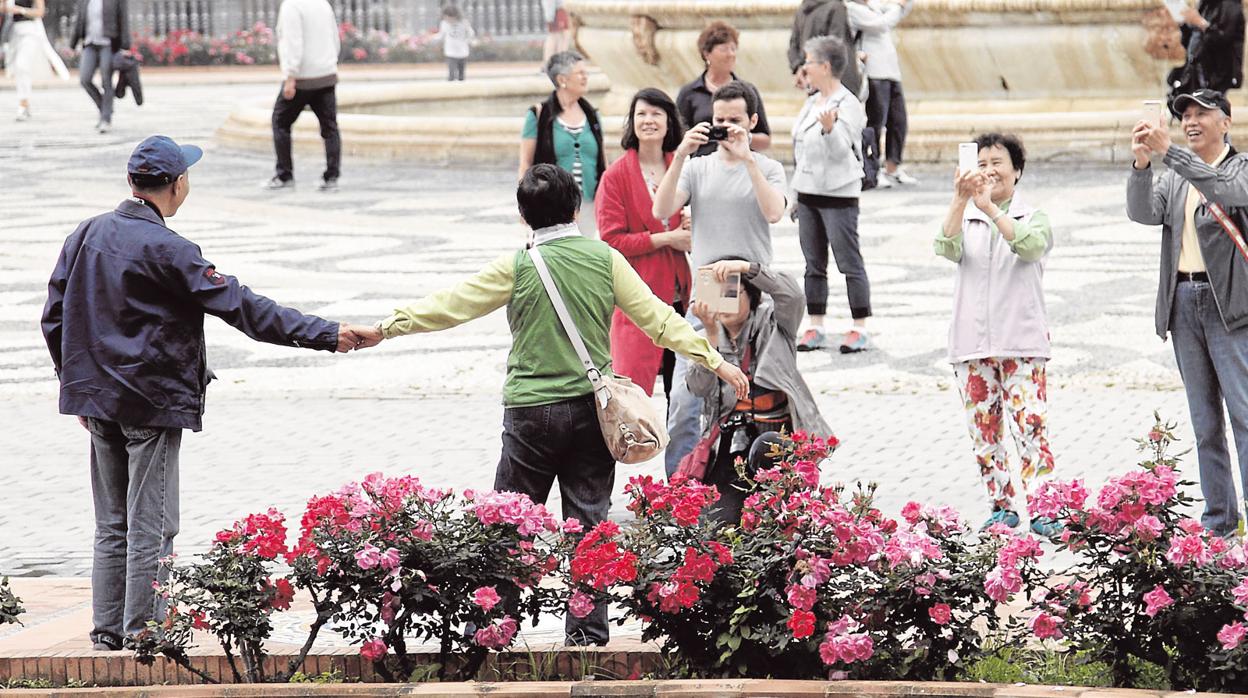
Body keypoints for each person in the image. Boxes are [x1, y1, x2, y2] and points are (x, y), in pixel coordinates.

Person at [353, 164, 748, 645]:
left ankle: (493, 631)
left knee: (507, 526)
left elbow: (451, 304)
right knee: (589, 527)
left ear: (524, 216)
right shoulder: (604, 258)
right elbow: (658, 319)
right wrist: (716, 361)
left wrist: (386, 327)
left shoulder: (517, 266)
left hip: (529, 415)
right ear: (575, 208)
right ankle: (587, 638)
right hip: (593, 409)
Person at [40, 136, 366, 651]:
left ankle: (107, 637)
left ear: (131, 183)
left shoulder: (86, 233)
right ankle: (145, 637)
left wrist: (75, 384)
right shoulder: (171, 250)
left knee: (112, 524)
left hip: (98, 402)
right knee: (154, 524)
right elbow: (244, 308)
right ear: (177, 185)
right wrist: (326, 333)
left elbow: (54, 315)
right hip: (149, 404)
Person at [1128, 89, 1248, 537]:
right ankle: (1219, 522)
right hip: (1183, 301)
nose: (1192, 121)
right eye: (1185, 115)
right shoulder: (1175, 175)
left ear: (1227, 122)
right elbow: (1143, 213)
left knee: (1244, 415)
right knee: (1204, 423)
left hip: (1231, 306)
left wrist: (1170, 153)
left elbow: (1227, 191)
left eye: (1203, 113)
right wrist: (1142, 164)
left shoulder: (1240, 168)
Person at [652, 80, 788, 475]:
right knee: (684, 399)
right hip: (710, 288)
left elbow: (774, 212)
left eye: (735, 121)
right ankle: (678, 491)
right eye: (719, 120)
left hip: (755, 291)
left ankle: (760, 486)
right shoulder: (697, 168)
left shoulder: (768, 167)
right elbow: (662, 209)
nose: (726, 128)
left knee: (758, 398)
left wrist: (747, 159)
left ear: (753, 121)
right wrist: (680, 154)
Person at [935, 132, 1057, 536]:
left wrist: (990, 209)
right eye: (982, 163)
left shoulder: (1031, 215)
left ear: (1017, 171)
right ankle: (1001, 506)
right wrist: (960, 199)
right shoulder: (964, 217)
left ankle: (1044, 508)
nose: (989, 170)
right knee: (984, 434)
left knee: (1031, 426)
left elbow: (1032, 247)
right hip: (971, 345)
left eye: (997, 163)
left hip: (1021, 342)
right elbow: (944, 246)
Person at [687, 259, 832, 524]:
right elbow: (698, 387)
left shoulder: (775, 323)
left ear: (752, 295)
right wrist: (710, 337)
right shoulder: (704, 335)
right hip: (730, 441)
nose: (723, 301)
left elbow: (793, 296)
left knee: (767, 451)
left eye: (731, 292)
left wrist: (745, 268)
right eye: (716, 294)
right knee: (718, 526)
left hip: (775, 435)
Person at [597, 88, 693, 400]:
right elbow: (611, 239)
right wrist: (667, 238)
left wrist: (692, 229)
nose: (648, 120)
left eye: (656, 114)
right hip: (638, 294)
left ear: (669, 122)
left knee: (684, 390)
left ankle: (684, 450)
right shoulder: (616, 176)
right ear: (632, 122)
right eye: (641, 114)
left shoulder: (681, 166)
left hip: (680, 292)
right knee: (635, 391)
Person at [791, 35, 873, 355]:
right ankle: (815, 323)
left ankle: (859, 326)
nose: (804, 68)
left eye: (808, 62)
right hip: (809, 192)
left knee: (849, 261)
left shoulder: (848, 104)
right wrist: (795, 194)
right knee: (813, 263)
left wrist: (829, 130)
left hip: (839, 194)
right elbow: (800, 150)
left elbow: (845, 152)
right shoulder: (812, 101)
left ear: (824, 66)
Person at [518, 51, 605, 237]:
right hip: (551, 206)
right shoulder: (538, 115)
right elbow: (525, 164)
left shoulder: (592, 115)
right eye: (580, 73)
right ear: (562, 79)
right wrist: (524, 205)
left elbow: (602, 160)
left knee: (586, 259)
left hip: (589, 205)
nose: (585, 77)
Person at [265, 0, 341, 192]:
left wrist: (290, 76)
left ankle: (284, 174)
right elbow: (335, 39)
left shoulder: (292, 5)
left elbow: (292, 41)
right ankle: (332, 176)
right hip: (326, 75)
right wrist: (330, 64)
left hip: (301, 79)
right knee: (330, 128)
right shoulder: (322, 4)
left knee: (280, 121)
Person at [675, 20, 772, 156]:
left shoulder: (748, 91)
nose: (731, 54)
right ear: (706, 54)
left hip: (741, 166)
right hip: (702, 166)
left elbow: (765, 140)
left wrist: (742, 136)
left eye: (733, 49)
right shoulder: (689, 93)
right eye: (724, 49)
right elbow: (676, 137)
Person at [848, 0, 917, 187]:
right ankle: (874, 168)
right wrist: (899, 6)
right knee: (876, 122)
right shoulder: (852, 9)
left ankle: (893, 167)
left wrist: (904, 4)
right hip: (874, 72)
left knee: (898, 121)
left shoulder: (874, 6)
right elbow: (880, 24)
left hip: (892, 72)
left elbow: (899, 13)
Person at [3, 0, 69, 122]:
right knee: (17, 69)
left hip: (30, 31)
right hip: (13, 32)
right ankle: (25, 102)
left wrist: (20, 10)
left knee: (22, 65)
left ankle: (23, 103)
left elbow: (40, 12)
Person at [70, 0, 128, 133]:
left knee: (106, 81)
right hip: (89, 43)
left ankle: (105, 119)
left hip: (108, 44)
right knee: (85, 79)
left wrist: (125, 46)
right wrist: (72, 44)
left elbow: (123, 20)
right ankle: (104, 108)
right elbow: (80, 20)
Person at [788, 0, 864, 102]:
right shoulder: (836, 7)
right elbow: (835, 46)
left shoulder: (803, 9)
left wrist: (800, 68)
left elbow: (793, 45)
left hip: (814, 77)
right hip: (838, 79)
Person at [1171, 0, 1244, 97]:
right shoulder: (1204, 5)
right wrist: (1184, 24)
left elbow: (1223, 39)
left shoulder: (1230, 5)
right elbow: (1190, 41)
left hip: (1218, 72)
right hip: (1196, 69)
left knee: (1211, 107)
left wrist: (1201, 23)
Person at [432, 4, 474, 82]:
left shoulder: (464, 23)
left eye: (450, 17)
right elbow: (441, 35)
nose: (448, 19)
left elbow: (471, 33)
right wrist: (432, 37)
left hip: (463, 52)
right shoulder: (444, 23)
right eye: (446, 17)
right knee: (451, 75)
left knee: (461, 75)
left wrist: (468, 41)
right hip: (450, 52)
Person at [540, 0, 570, 65]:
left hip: (559, 11)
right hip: (557, 12)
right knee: (558, 37)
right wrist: (550, 17)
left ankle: (556, 63)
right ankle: (553, 63)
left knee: (560, 37)